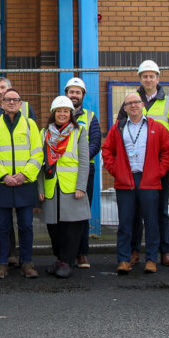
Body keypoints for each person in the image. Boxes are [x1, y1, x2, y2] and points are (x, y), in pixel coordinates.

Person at [118, 60, 169, 267]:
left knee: (161, 209)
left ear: (158, 78)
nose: (148, 79)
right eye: (144, 76)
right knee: (135, 211)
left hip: (161, 166)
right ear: (140, 79)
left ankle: (164, 251)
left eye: (151, 75)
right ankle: (134, 250)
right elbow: (119, 128)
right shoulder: (131, 100)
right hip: (135, 167)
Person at [103, 91, 169, 275]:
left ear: (143, 105)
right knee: (125, 223)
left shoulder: (157, 128)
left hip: (148, 180)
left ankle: (151, 259)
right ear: (124, 108)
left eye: (136, 102)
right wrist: (115, 170)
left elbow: (167, 152)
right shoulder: (118, 127)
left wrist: (158, 172)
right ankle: (124, 260)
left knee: (151, 222)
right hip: (125, 180)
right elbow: (107, 151)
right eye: (129, 104)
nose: (133, 106)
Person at [0, 87, 43, 279]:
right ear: (1, 104)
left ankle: (27, 262)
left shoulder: (30, 125)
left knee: (26, 225)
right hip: (2, 184)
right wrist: (4, 176)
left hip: (25, 183)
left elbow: (37, 153)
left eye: (15, 100)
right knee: (3, 226)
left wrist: (24, 175)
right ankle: (2, 264)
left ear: (20, 104)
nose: (11, 102)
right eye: (7, 100)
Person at [39, 96, 90, 278]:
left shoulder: (79, 132)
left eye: (66, 111)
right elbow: (40, 164)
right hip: (51, 186)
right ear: (53, 113)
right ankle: (60, 259)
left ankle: (67, 262)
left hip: (71, 188)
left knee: (72, 229)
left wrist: (81, 187)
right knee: (54, 228)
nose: (62, 114)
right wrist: (40, 189)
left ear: (71, 114)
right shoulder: (44, 133)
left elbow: (84, 162)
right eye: (59, 111)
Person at [64, 76, 102, 269]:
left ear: (83, 95)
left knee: (82, 211)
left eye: (78, 92)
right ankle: (66, 253)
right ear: (66, 94)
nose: (74, 95)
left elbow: (96, 141)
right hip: (63, 172)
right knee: (64, 211)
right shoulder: (59, 114)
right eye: (71, 92)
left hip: (85, 170)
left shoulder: (90, 116)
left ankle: (82, 253)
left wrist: (82, 160)